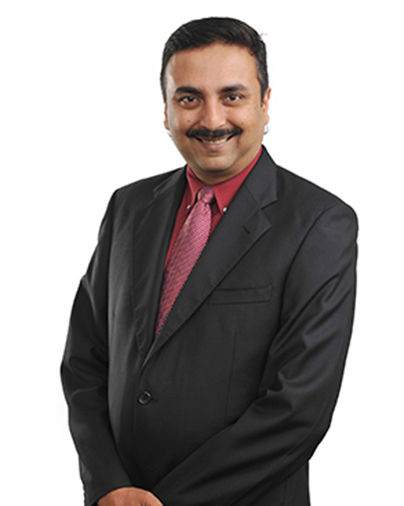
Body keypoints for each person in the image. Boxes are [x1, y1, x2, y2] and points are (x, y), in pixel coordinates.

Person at [61, 17, 358, 506]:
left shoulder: (319, 223)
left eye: (232, 96)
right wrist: (107, 483)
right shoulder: (127, 208)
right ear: (166, 110)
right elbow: (84, 361)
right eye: (189, 98)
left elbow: (298, 407)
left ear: (265, 103)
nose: (212, 119)